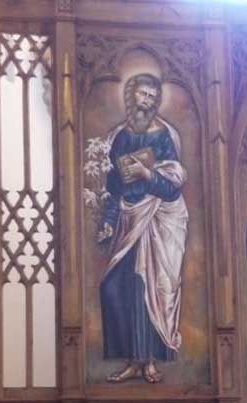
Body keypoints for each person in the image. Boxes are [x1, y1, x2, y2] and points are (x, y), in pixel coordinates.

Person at [98, 73, 189, 384]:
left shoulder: (164, 137)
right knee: (117, 288)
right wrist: (108, 221)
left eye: (152, 96)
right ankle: (132, 361)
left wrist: (146, 174)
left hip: (157, 220)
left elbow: (172, 187)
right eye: (142, 94)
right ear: (131, 96)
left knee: (147, 288)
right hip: (128, 219)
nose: (146, 101)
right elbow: (113, 186)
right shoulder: (119, 137)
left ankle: (147, 362)